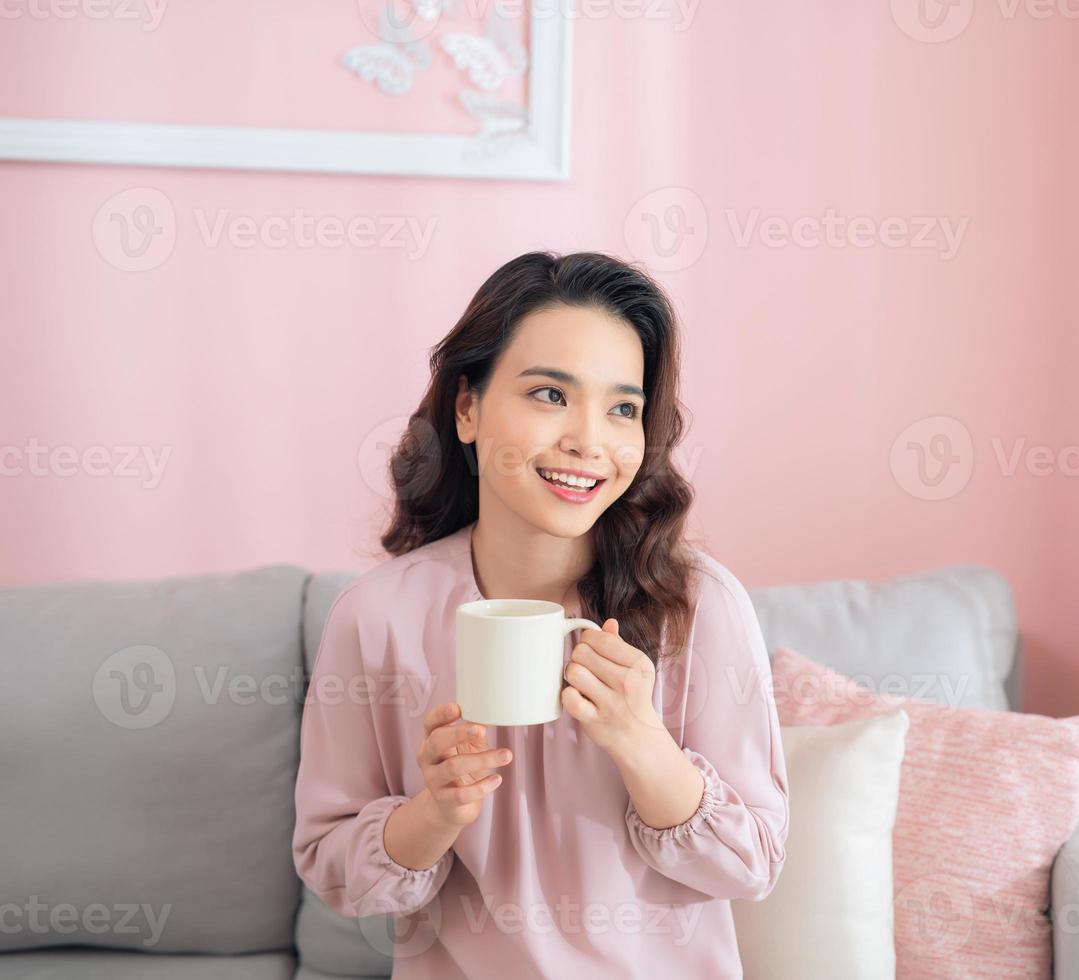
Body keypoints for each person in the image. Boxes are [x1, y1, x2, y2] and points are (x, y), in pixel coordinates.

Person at [292, 251, 789, 979]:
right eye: (550, 395)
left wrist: (643, 743)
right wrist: (435, 812)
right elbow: (334, 872)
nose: (589, 440)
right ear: (467, 409)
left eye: (622, 408)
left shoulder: (699, 608)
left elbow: (754, 865)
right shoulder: (378, 617)